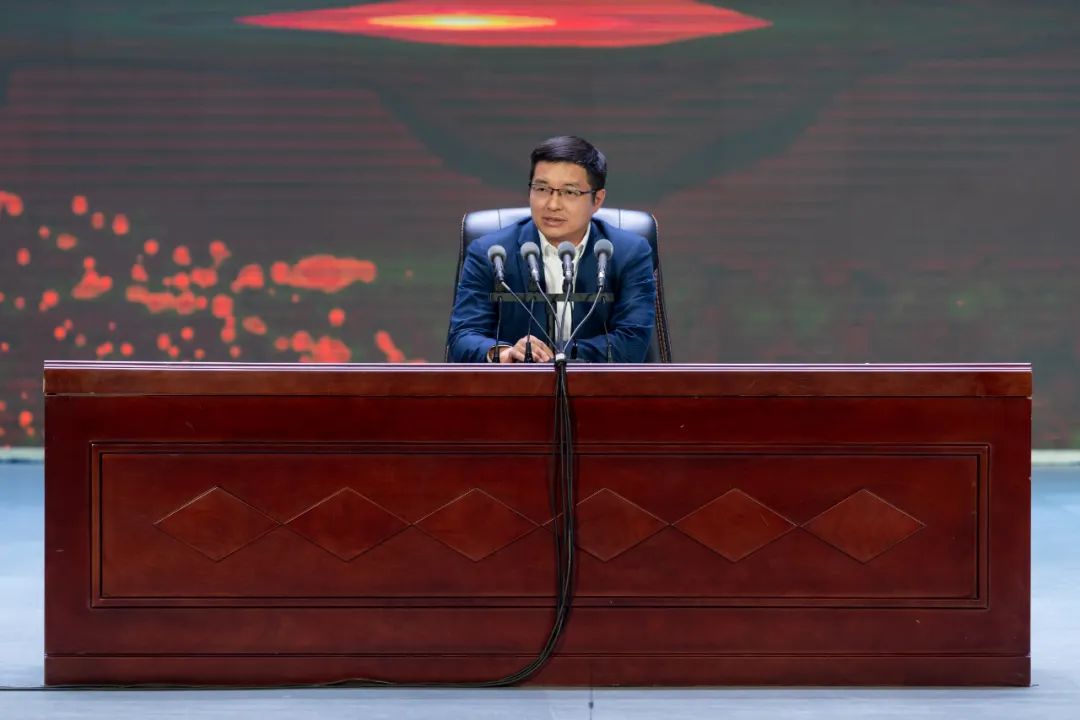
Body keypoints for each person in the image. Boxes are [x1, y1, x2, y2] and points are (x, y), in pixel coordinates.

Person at [447, 136, 656, 363]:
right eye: (542, 189)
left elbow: (632, 342)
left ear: (597, 200)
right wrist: (506, 353)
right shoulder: (491, 253)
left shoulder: (629, 254)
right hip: (517, 383)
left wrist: (552, 355)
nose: (552, 204)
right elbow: (463, 337)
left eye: (570, 192)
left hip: (599, 383)